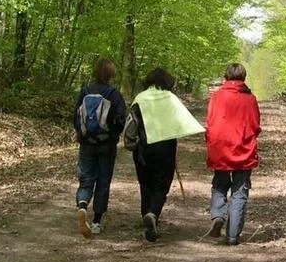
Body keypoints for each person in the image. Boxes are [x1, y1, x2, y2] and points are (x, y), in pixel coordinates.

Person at [123, 68, 204, 242]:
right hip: (165, 147)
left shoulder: (140, 98)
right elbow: (182, 121)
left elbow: (131, 124)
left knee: (145, 183)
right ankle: (153, 213)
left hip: (143, 148)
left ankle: (146, 215)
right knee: (161, 184)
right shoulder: (171, 98)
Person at [205, 63, 261, 246]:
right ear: (244, 77)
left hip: (220, 148)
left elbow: (210, 122)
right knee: (240, 191)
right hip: (243, 149)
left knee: (219, 184)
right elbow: (255, 125)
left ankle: (218, 216)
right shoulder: (250, 99)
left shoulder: (216, 97)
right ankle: (232, 235)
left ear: (226, 76)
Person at [73, 57, 126, 238]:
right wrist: (113, 136)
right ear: (111, 74)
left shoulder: (85, 91)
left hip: (86, 143)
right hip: (107, 145)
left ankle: (82, 205)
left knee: (86, 178)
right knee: (103, 180)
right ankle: (96, 222)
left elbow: (75, 117)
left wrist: (81, 134)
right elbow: (120, 120)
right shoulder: (114, 94)